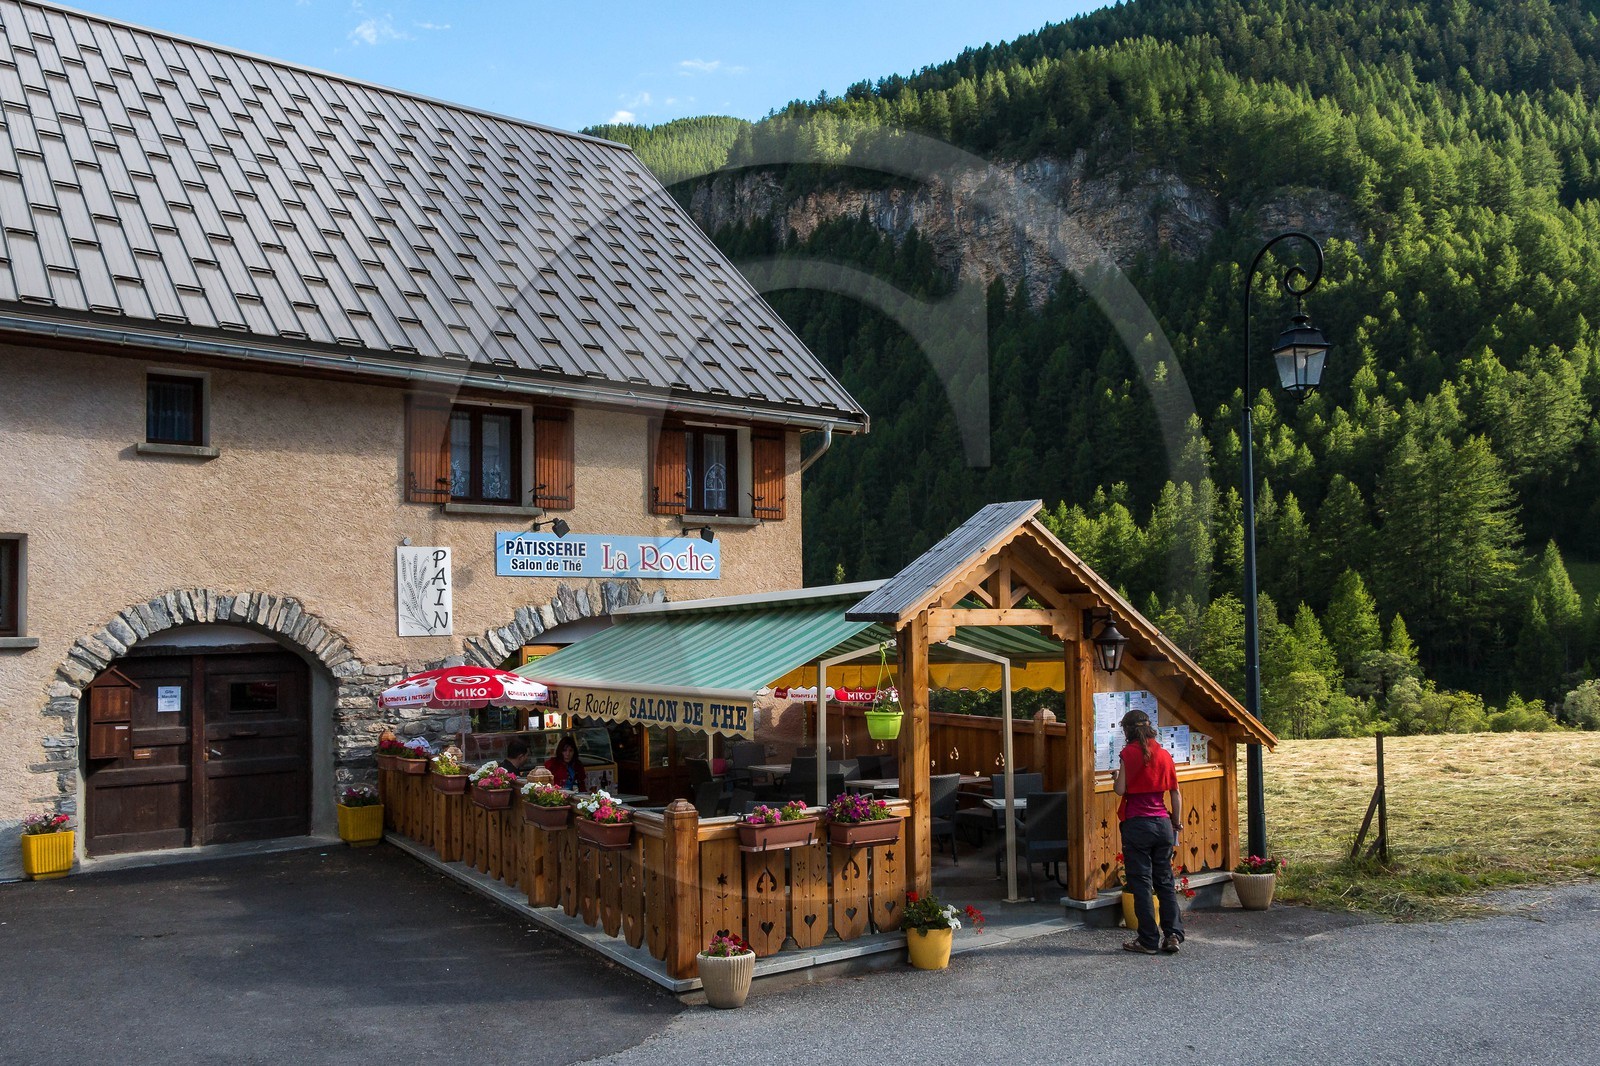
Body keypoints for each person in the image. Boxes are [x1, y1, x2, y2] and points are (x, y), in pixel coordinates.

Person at [1112, 708, 1184, 955]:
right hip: (1162, 823)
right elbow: (1175, 793)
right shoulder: (1164, 755)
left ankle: (1148, 940)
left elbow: (1120, 790)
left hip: (1137, 824)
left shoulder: (1127, 754)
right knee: (1165, 881)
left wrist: (1116, 777)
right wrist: (1177, 822)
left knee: (1141, 882)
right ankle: (1173, 935)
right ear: (1150, 728)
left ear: (1127, 730)